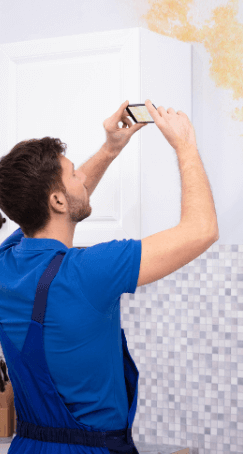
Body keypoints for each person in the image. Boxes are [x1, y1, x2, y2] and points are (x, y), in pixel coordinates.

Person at [0, 100, 218, 453]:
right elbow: (202, 229)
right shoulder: (90, 271)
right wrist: (185, 145)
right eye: (74, 174)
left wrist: (110, 149)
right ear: (56, 200)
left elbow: (64, 201)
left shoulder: (6, 261)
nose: (82, 178)